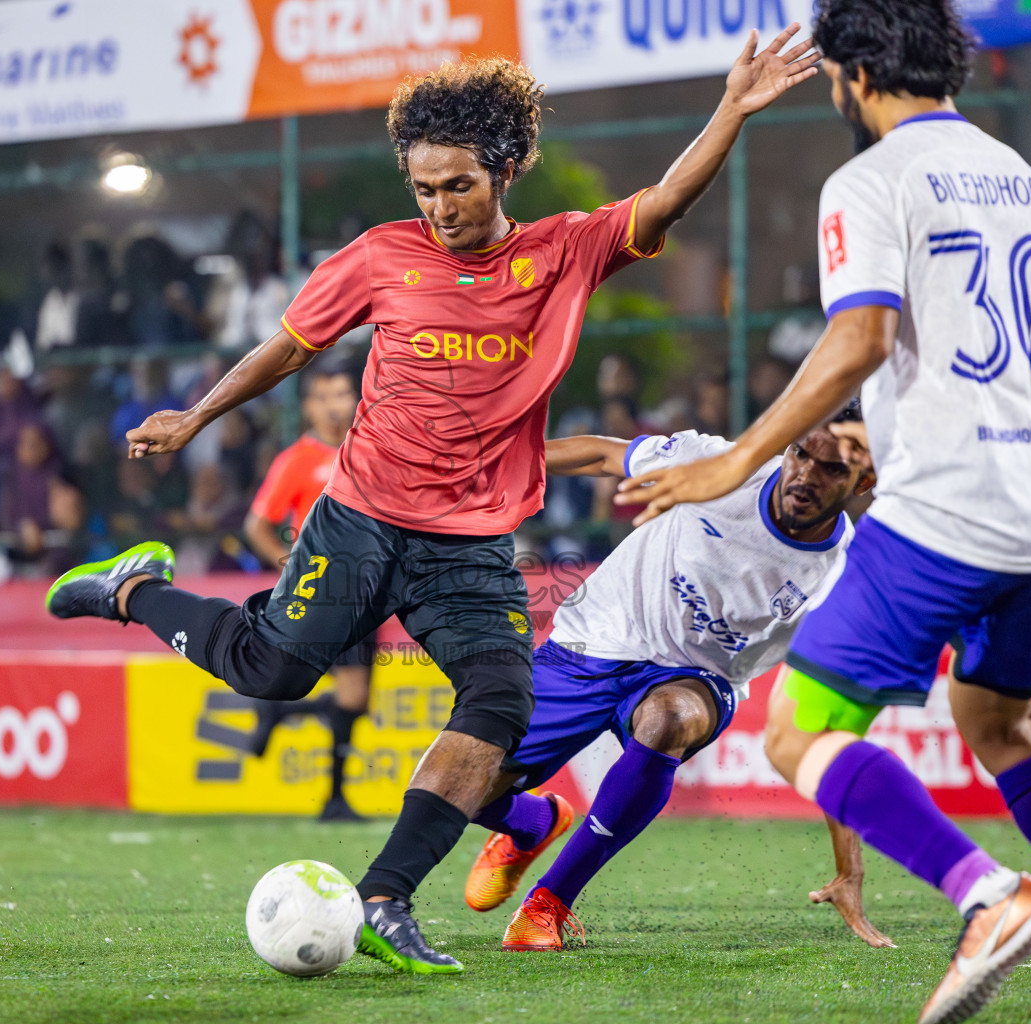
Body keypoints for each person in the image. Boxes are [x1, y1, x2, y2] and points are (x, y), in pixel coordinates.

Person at [47, 36, 817, 974]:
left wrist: (732, 108)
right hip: (361, 516)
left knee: (499, 703)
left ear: (503, 171)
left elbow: (664, 202)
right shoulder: (379, 257)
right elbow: (288, 349)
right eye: (424, 188)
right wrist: (196, 417)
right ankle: (133, 591)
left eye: (459, 185)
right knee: (274, 672)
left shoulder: (563, 253)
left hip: (472, 541)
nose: (441, 207)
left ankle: (384, 899)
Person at [614, 2, 1031, 1019]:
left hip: (951, 505)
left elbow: (860, 339)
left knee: (796, 728)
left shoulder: (870, 179)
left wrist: (735, 458)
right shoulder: (1018, 172)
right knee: (997, 722)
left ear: (856, 75)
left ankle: (987, 895)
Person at [467, 411, 883, 952]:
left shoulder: (839, 580)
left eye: (831, 469)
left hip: (700, 677)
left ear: (862, 482)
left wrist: (849, 870)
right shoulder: (722, 467)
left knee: (669, 717)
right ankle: (531, 822)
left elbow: (830, 722)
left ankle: (549, 902)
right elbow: (603, 455)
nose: (806, 475)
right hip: (594, 638)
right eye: (801, 454)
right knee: (465, 784)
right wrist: (489, 462)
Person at [242, 362, 374, 822]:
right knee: (341, 689)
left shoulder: (369, 449)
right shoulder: (297, 459)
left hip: (365, 590)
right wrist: (289, 567)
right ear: (309, 406)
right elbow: (257, 526)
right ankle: (334, 799)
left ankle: (279, 716)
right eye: (323, 396)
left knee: (355, 698)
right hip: (319, 590)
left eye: (341, 394)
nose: (334, 405)